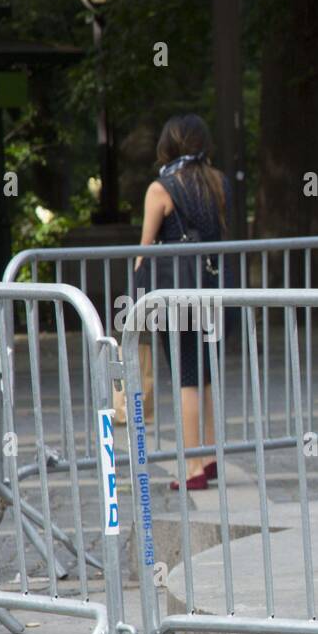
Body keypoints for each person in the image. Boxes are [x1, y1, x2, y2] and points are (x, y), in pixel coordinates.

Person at [135, 114, 233, 491]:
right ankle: (209, 458)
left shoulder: (161, 188)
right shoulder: (218, 182)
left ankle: (191, 467)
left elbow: (144, 250)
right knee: (206, 375)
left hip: (179, 292)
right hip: (215, 288)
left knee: (187, 379)